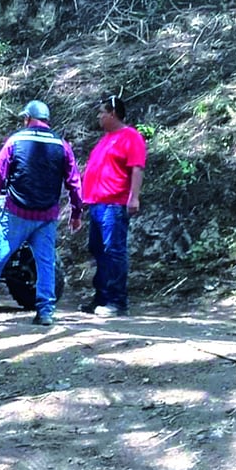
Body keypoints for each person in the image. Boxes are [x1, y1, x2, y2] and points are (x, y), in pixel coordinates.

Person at [0, 100, 84, 327]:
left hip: (16, 212)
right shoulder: (61, 144)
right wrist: (76, 212)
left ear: (28, 118)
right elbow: (74, 182)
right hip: (46, 216)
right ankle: (45, 311)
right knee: (45, 263)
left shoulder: (15, 141)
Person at [79, 95, 147, 318]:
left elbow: (137, 168)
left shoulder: (130, 137)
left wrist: (134, 197)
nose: (99, 116)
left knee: (113, 251)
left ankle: (117, 301)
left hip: (114, 204)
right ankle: (101, 297)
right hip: (97, 203)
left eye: (102, 112)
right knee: (98, 250)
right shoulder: (106, 139)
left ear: (113, 113)